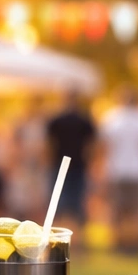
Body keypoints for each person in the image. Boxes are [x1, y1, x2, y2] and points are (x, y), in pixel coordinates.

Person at [98, 87, 138, 252]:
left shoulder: (112, 118)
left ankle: (118, 242)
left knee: (117, 209)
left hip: (117, 169)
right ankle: (137, 243)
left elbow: (105, 147)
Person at [45, 90, 96, 228]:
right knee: (75, 202)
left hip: (65, 166)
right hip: (76, 166)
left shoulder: (56, 120)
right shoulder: (83, 120)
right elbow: (91, 145)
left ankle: (60, 232)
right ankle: (77, 235)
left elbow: (49, 144)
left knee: (60, 201)